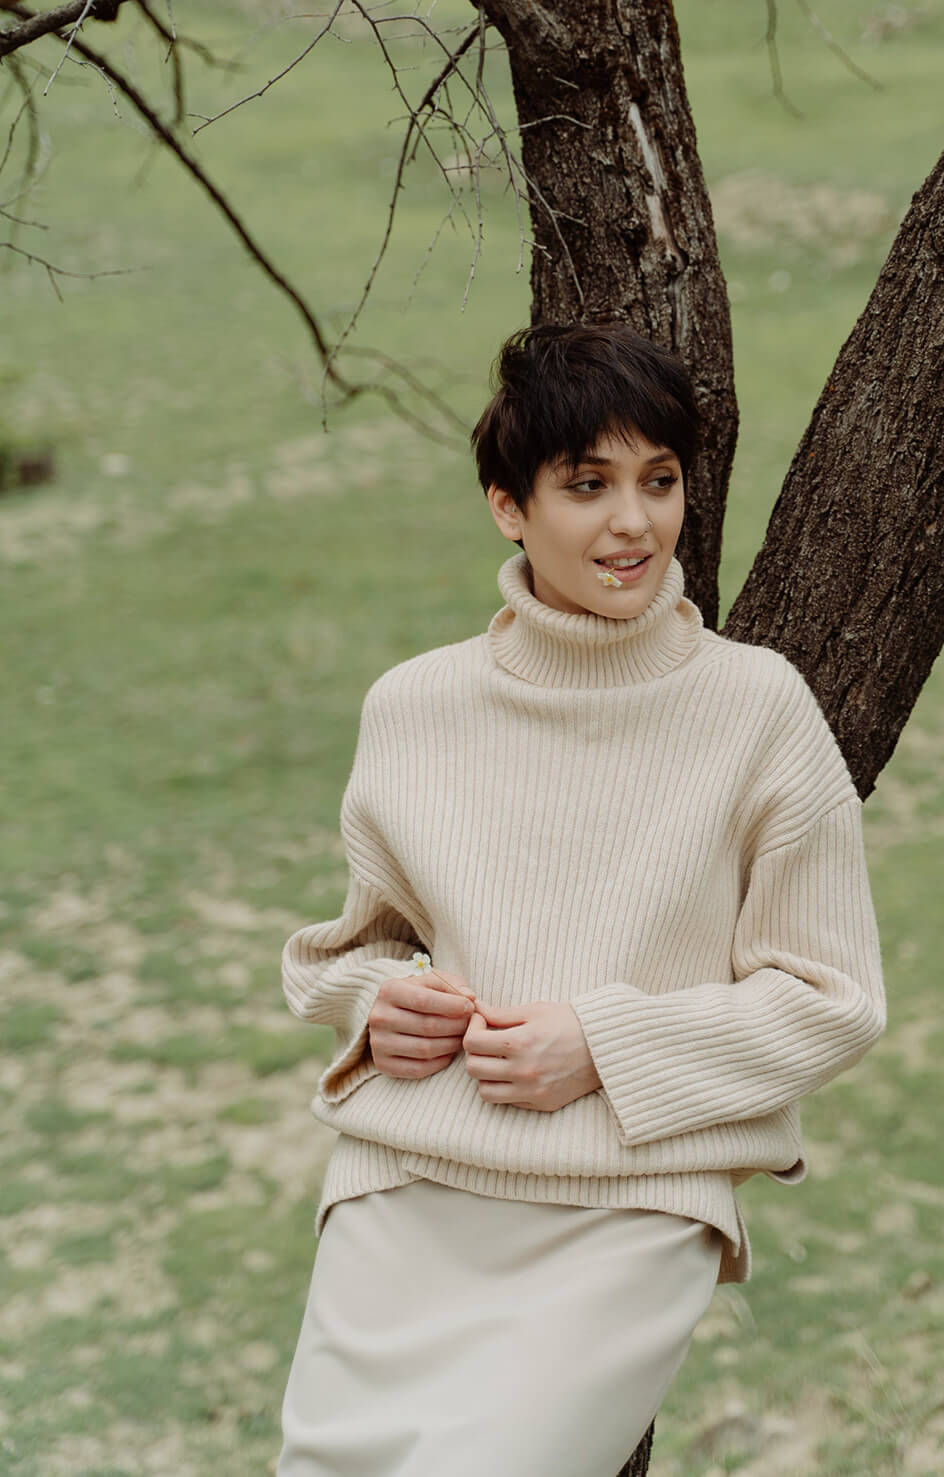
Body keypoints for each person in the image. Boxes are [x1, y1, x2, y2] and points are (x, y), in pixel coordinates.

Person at [276, 322, 886, 1477]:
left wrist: (605, 1044)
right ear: (509, 506)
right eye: (588, 485)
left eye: (659, 480)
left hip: (629, 1205)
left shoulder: (757, 708)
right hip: (406, 1195)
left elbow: (833, 1000)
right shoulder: (413, 706)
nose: (634, 523)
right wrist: (381, 1006)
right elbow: (357, 950)